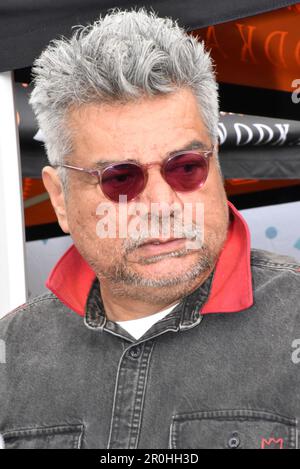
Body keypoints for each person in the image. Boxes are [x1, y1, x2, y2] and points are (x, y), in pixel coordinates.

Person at [0, 7, 299, 450]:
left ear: (216, 163)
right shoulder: (11, 352)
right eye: (120, 177)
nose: (162, 205)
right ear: (59, 198)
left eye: (186, 167)